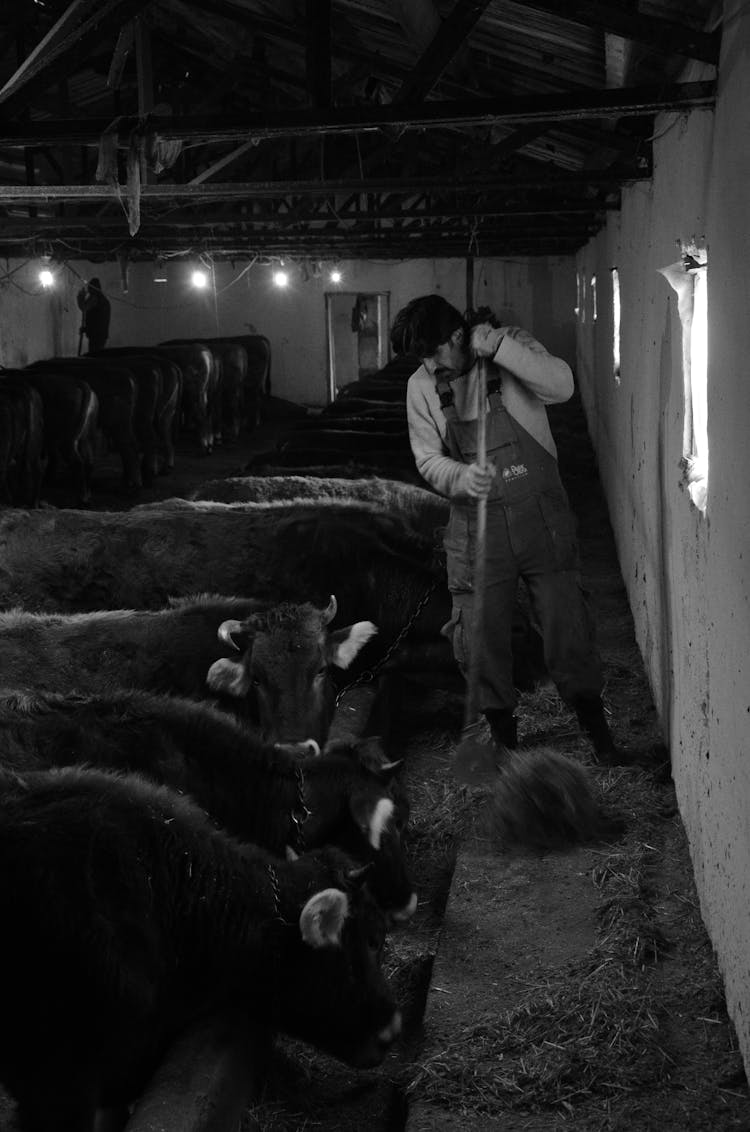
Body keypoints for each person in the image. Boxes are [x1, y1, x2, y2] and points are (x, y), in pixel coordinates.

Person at [390, 294, 619, 762]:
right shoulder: (421, 385)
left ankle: (600, 738)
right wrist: (456, 475)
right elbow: (427, 456)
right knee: (478, 638)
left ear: (457, 336)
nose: (430, 364)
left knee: (566, 626)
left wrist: (497, 346)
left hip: (540, 517)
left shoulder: (512, 347)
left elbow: (563, 386)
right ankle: (507, 748)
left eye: (434, 351)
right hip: (476, 524)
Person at [76, 277, 111, 353]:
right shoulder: (103, 300)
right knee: (97, 356)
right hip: (101, 334)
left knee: (94, 356)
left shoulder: (95, 298)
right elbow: (97, 319)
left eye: (89, 287)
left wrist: (81, 297)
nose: (88, 289)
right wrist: (86, 329)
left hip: (96, 335)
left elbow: (84, 307)